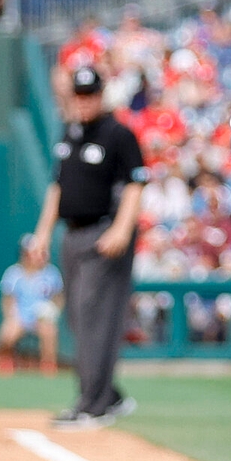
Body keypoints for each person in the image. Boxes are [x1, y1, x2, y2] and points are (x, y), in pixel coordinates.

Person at [27, 65, 146, 429]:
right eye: (78, 95)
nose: (83, 102)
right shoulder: (70, 133)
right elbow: (57, 187)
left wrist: (122, 229)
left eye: (89, 94)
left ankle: (92, 403)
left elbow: (135, 183)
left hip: (103, 234)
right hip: (73, 235)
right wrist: (43, 233)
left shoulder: (118, 134)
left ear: (100, 95)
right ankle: (106, 396)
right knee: (80, 319)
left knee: (95, 318)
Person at [0, 234, 63, 376]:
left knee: (49, 331)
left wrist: (52, 312)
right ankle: (7, 361)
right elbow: (7, 300)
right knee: (8, 333)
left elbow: (58, 298)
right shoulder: (13, 273)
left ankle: (48, 366)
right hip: (20, 316)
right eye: (31, 252)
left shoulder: (51, 273)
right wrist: (11, 316)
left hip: (41, 318)